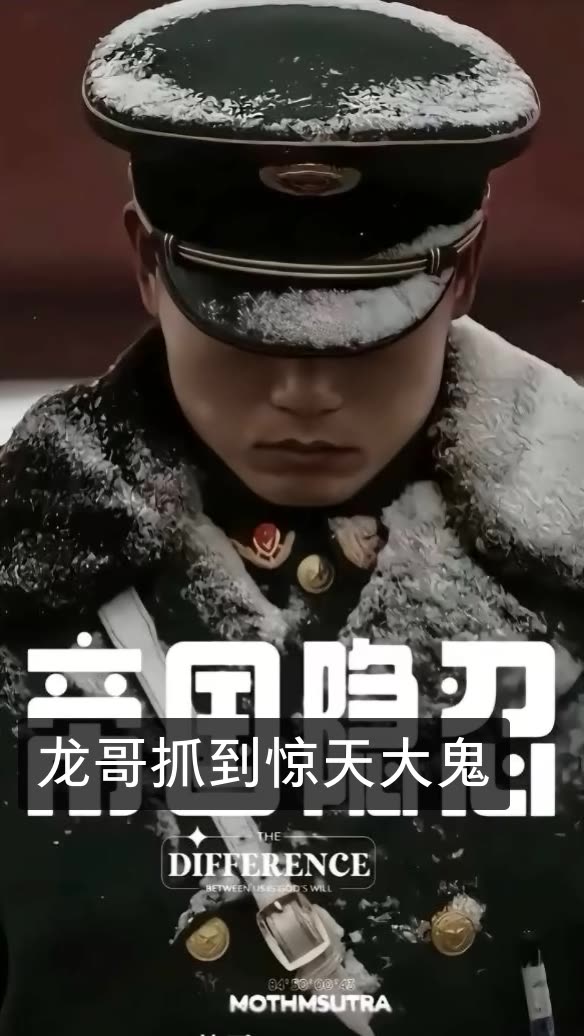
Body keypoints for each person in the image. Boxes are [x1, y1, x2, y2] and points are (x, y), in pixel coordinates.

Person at [1, 1, 583, 1034]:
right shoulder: (24, 589)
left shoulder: (565, 582)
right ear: (146, 263)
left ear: (462, 272)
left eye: (365, 334)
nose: (304, 392)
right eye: (246, 326)